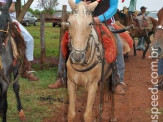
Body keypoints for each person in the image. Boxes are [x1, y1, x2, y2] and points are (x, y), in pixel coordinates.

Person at [48, 0, 126, 95]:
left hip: (106, 23)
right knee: (65, 42)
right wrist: (82, 3)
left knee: (117, 45)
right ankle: (61, 77)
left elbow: (113, 8)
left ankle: (117, 81)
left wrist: (101, 18)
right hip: (84, 23)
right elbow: (76, 4)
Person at [1, 0, 39, 81]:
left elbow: (12, 9)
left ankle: (27, 69)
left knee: (29, 39)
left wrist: (3, 6)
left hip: (8, 18)